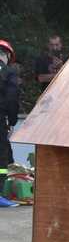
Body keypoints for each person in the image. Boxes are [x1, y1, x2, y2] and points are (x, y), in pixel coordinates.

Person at [0, 40, 19, 191]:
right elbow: (12, 97)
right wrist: (12, 121)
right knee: (2, 154)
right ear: (6, 55)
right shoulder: (8, 72)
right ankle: (1, 190)